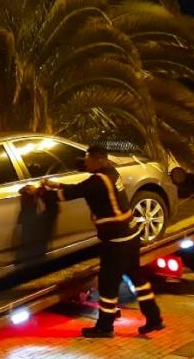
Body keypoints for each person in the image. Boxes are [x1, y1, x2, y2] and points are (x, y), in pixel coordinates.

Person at [21, 145, 164, 338]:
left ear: (98, 160)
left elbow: (69, 195)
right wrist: (56, 184)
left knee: (107, 284)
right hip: (130, 236)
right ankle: (154, 318)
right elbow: (82, 188)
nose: (85, 162)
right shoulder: (111, 173)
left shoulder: (97, 181)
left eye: (88, 159)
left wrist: (38, 191)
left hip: (116, 241)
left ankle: (104, 327)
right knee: (138, 279)